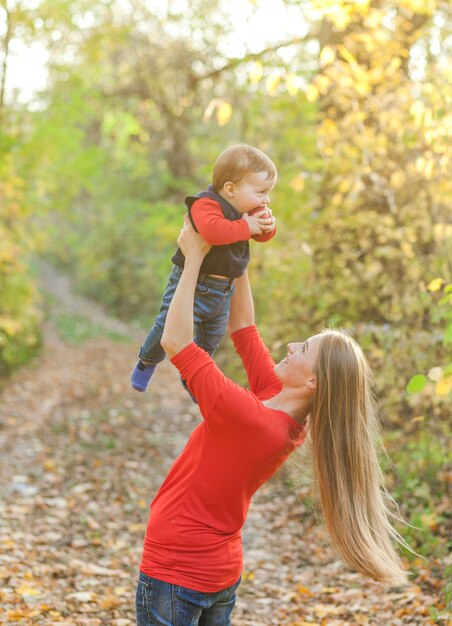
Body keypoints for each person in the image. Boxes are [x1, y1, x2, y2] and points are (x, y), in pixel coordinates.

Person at [135, 219, 408, 626]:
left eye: (303, 349)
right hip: (215, 572)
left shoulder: (252, 418)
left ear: (313, 380)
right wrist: (238, 247)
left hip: (177, 570)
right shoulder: (279, 407)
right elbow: (243, 327)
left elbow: (176, 342)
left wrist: (193, 258)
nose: (290, 346)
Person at [130, 144, 277, 394]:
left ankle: (193, 379)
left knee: (211, 339)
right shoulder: (206, 204)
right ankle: (147, 361)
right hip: (195, 285)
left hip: (224, 292)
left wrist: (266, 226)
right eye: (261, 192)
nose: (266, 199)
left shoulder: (245, 213)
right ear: (231, 189)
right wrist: (247, 226)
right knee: (167, 327)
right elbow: (213, 232)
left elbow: (262, 236)